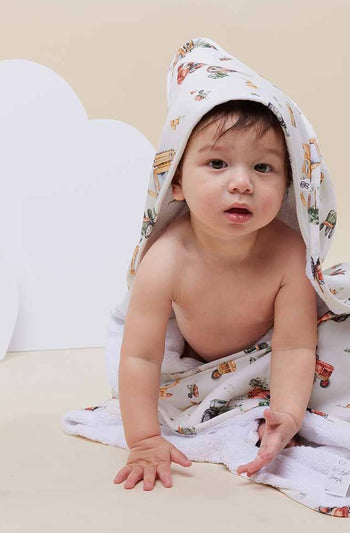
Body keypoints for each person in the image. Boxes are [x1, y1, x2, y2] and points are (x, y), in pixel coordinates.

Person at [112, 99, 318, 491]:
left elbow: (294, 346)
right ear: (176, 182)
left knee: (339, 354)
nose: (242, 183)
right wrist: (144, 440)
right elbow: (140, 356)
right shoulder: (166, 261)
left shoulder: (290, 254)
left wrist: (287, 414)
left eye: (263, 167)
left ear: (287, 187)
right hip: (195, 357)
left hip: (266, 354)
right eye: (218, 163)